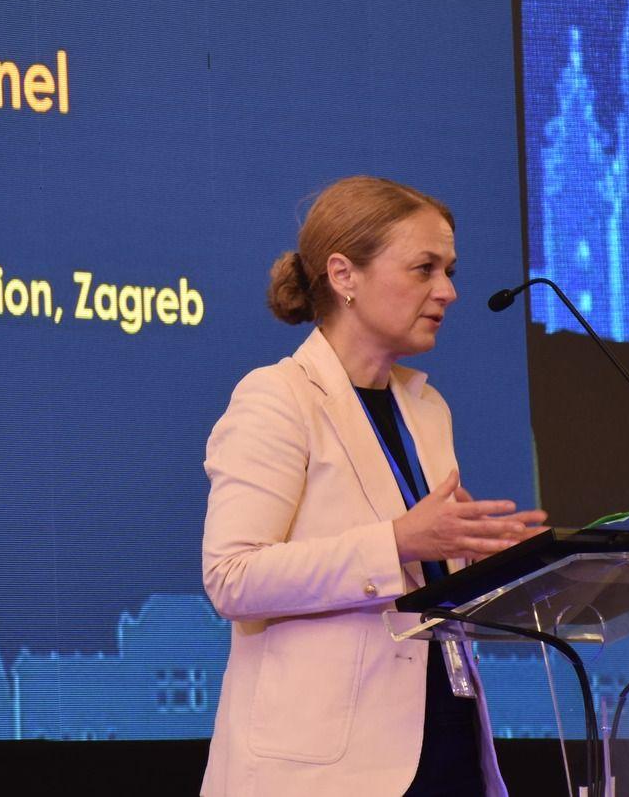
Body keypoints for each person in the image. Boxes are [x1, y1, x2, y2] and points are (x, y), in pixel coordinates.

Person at [201, 176, 546, 797]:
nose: (448, 290)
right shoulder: (277, 398)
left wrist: (492, 561)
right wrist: (398, 542)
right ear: (344, 275)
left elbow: (422, 577)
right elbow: (232, 577)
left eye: (449, 270)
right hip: (326, 768)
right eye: (424, 268)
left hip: (447, 740)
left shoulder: (426, 408)